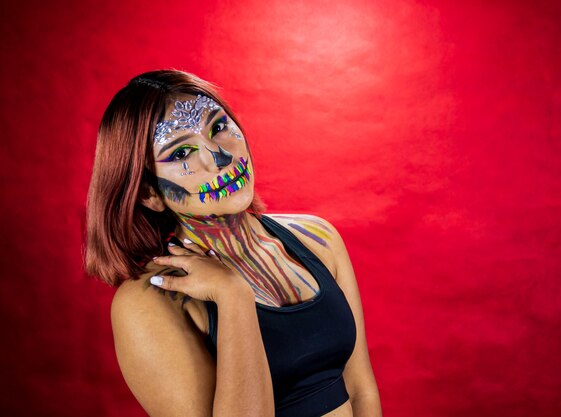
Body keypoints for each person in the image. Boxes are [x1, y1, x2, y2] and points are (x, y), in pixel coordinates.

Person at [84, 69, 382, 417]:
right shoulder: (150, 301)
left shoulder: (318, 239)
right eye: (181, 154)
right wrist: (233, 296)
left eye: (219, 128)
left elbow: (361, 390)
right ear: (149, 192)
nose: (220, 157)